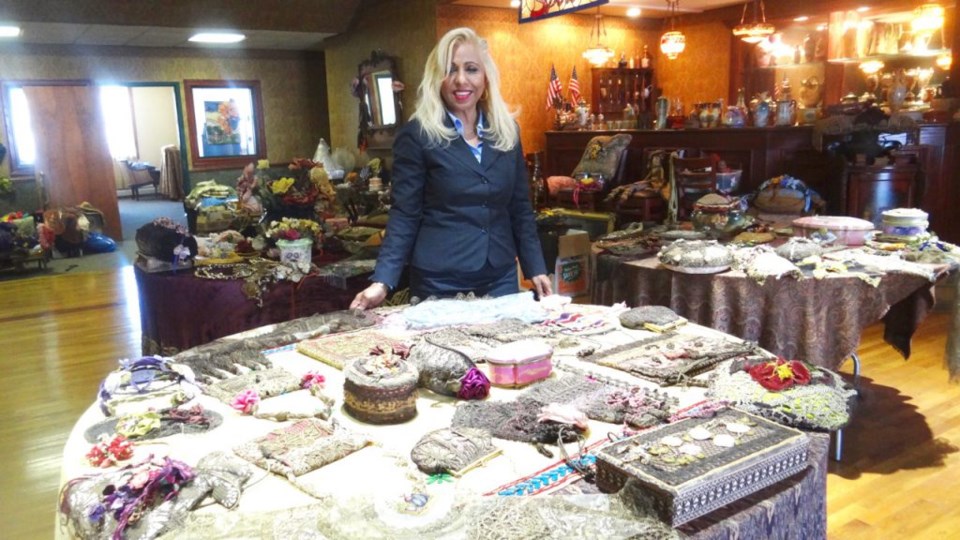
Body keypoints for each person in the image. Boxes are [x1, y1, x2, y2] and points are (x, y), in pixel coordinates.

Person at [350, 27, 552, 310]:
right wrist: (383, 281)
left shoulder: (507, 131)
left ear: (486, 77)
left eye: (471, 69)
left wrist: (535, 267)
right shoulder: (418, 135)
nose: (461, 80)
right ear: (437, 78)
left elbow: (519, 206)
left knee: (506, 351)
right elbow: (405, 213)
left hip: (500, 275)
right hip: (440, 278)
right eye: (450, 70)